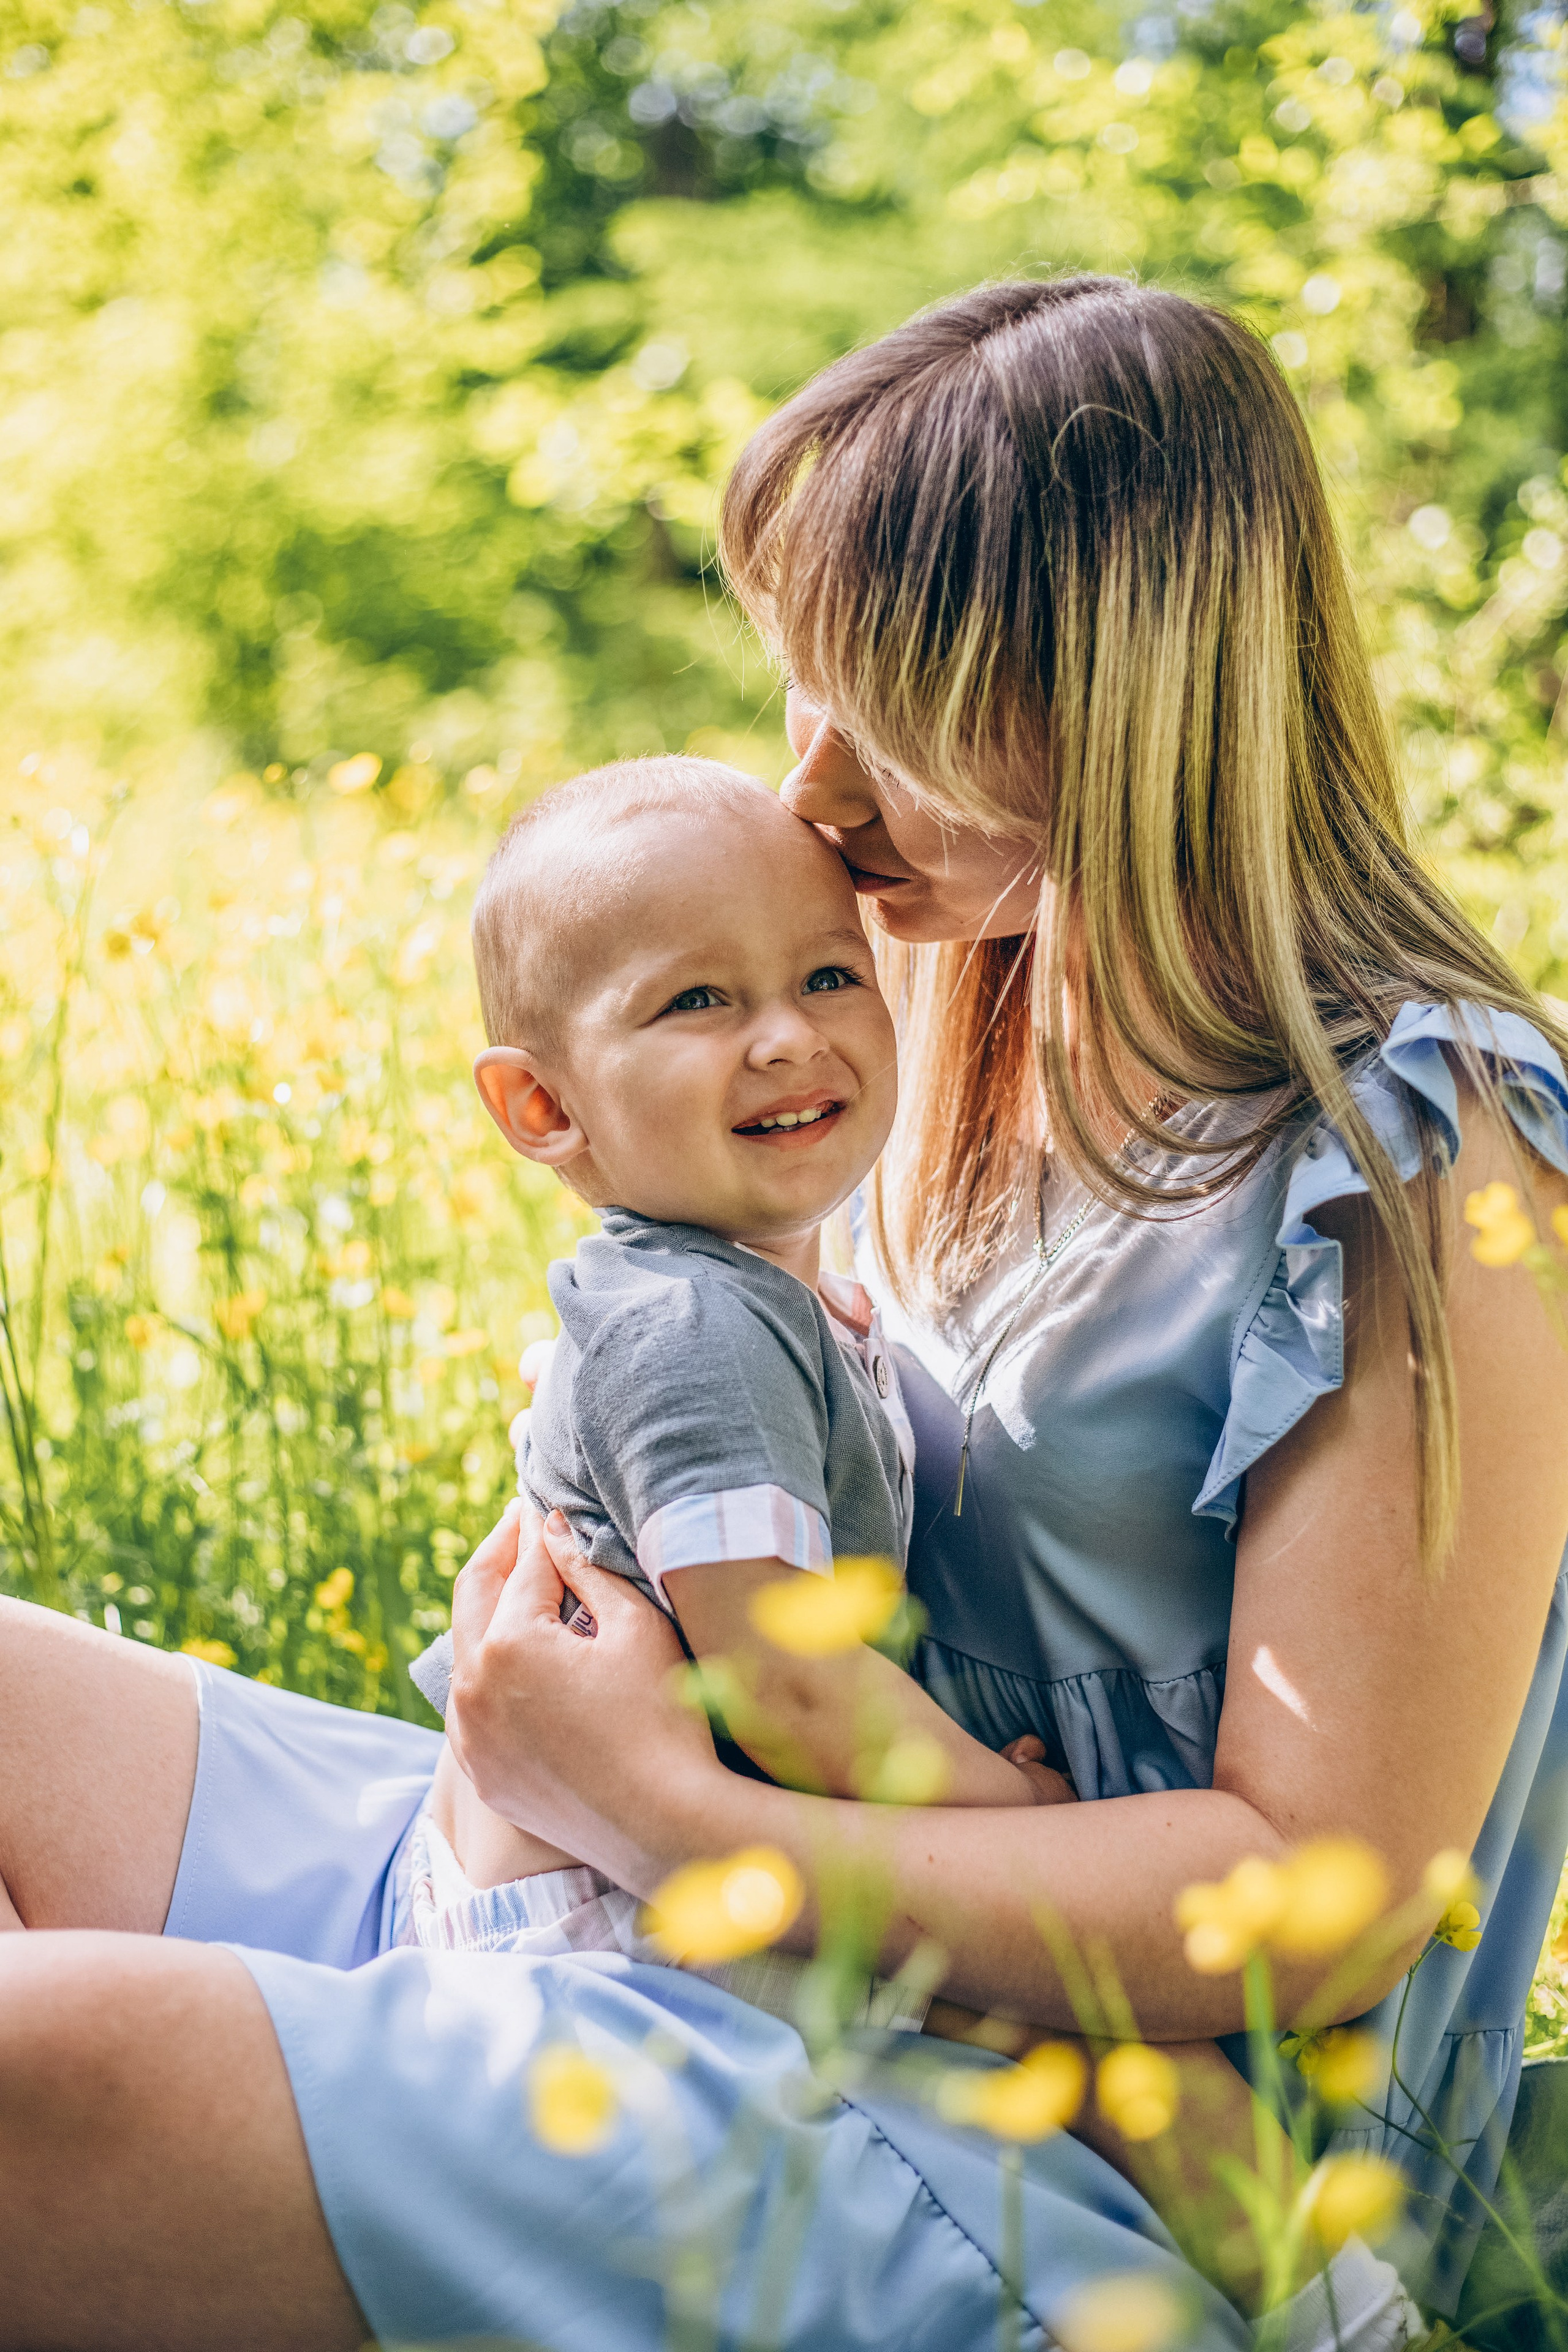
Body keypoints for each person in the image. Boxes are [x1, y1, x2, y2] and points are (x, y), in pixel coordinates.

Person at [3, 274, 1567, 2352]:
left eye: (880, 713)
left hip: (1097, 2126)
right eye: (798, 694)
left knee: (34, 2079)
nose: (812, 793)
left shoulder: (1427, 1151)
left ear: (1104, 692)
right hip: (674, 1891)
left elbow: (1320, 1905)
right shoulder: (971, 982)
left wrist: (664, 1808)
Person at [399, 752, 1066, 1983]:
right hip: (605, 1938)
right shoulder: (695, 1326)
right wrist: (1018, 1820)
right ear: (544, 1107)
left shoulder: (753, 1297)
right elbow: (785, 1690)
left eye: (826, 975)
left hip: (612, 1877)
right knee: (1113, 2057)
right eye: (696, 1002)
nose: (785, 1039)